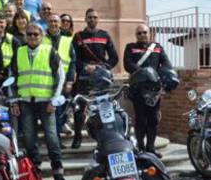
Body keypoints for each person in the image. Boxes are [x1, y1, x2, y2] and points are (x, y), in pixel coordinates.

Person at [11, 23, 66, 180]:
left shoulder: (49, 51)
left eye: (36, 34)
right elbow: (11, 78)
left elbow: (60, 76)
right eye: (30, 34)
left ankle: (58, 171)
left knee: (51, 137)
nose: (33, 37)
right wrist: (13, 101)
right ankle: (36, 170)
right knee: (29, 137)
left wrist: (54, 100)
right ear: (25, 36)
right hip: (25, 102)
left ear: (41, 36)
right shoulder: (19, 52)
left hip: (46, 102)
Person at [71, 8, 119, 148]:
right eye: (89, 17)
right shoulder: (78, 36)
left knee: (103, 108)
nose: (92, 19)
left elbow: (114, 58)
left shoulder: (105, 35)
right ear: (85, 19)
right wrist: (85, 66)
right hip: (84, 77)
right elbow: (74, 59)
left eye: (94, 17)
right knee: (80, 109)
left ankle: (104, 138)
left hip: (101, 78)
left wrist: (104, 67)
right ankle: (77, 136)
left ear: (98, 20)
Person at [124, 24, 172, 157]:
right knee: (140, 119)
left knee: (153, 119)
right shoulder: (130, 47)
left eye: (144, 32)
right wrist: (144, 73)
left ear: (149, 33)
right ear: (136, 35)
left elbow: (166, 64)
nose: (142, 35)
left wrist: (158, 76)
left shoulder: (157, 47)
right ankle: (141, 147)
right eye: (139, 33)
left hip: (154, 90)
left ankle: (150, 148)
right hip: (137, 89)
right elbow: (128, 65)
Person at [44, 13, 76, 146]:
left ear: (59, 24)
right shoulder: (41, 39)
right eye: (51, 21)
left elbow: (73, 61)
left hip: (62, 84)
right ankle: (54, 141)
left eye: (56, 22)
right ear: (47, 23)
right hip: (45, 83)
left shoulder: (67, 40)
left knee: (60, 114)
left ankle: (56, 141)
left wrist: (69, 81)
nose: (53, 24)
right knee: (50, 114)